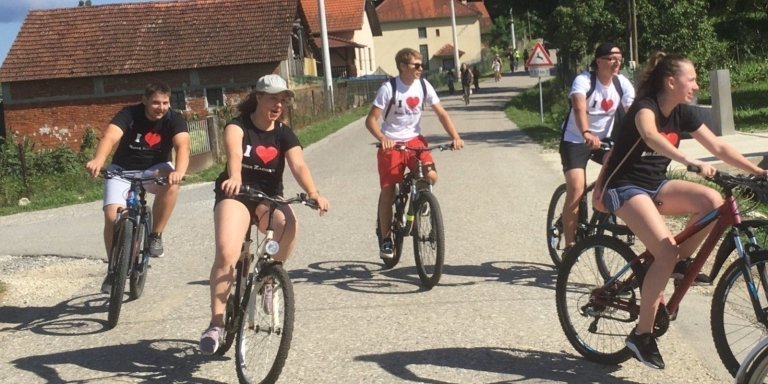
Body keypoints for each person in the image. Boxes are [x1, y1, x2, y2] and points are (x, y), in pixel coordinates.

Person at [595, 52, 768, 369]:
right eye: (692, 79)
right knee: (665, 252)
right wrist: (689, 162)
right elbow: (649, 135)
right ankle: (642, 335)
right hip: (625, 188)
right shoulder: (645, 107)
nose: (697, 85)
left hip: (655, 186)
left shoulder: (683, 113)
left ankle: (676, 263)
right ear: (671, 81)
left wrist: (759, 173)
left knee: (711, 203)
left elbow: (719, 147)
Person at [199, 74, 329, 354]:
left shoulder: (284, 133)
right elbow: (233, 154)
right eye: (273, 98)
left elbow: (299, 166)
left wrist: (314, 193)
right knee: (227, 254)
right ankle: (216, 324)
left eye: (283, 100)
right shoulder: (238, 126)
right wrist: (234, 177)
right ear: (258, 97)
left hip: (267, 196)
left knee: (289, 223)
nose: (278, 105)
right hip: (237, 193)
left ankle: (269, 277)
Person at [85, 82, 190, 293]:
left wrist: (179, 171)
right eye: (155, 103)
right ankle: (114, 269)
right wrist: (98, 159)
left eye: (165, 103)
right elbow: (110, 137)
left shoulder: (174, 118)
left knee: (172, 184)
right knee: (112, 217)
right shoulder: (129, 114)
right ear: (144, 101)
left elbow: (182, 146)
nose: (160, 107)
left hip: (155, 169)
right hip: (122, 170)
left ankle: (155, 236)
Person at [365, 48, 464, 259]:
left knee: (430, 176)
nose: (421, 68)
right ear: (402, 66)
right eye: (416, 65)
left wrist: (455, 136)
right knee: (389, 191)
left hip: (415, 140)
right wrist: (384, 139)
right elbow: (371, 120)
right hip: (392, 143)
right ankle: (386, 239)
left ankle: (422, 200)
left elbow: (441, 113)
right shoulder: (389, 88)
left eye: (421, 65)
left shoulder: (423, 85)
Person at [558, 42, 635, 255]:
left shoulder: (621, 83)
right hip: (575, 139)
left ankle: (601, 201)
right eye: (612, 58)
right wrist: (586, 133)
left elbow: (633, 113)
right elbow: (579, 107)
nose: (617, 62)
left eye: (620, 58)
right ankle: (570, 247)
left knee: (623, 171)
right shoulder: (584, 80)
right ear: (599, 60)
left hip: (605, 141)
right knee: (576, 187)